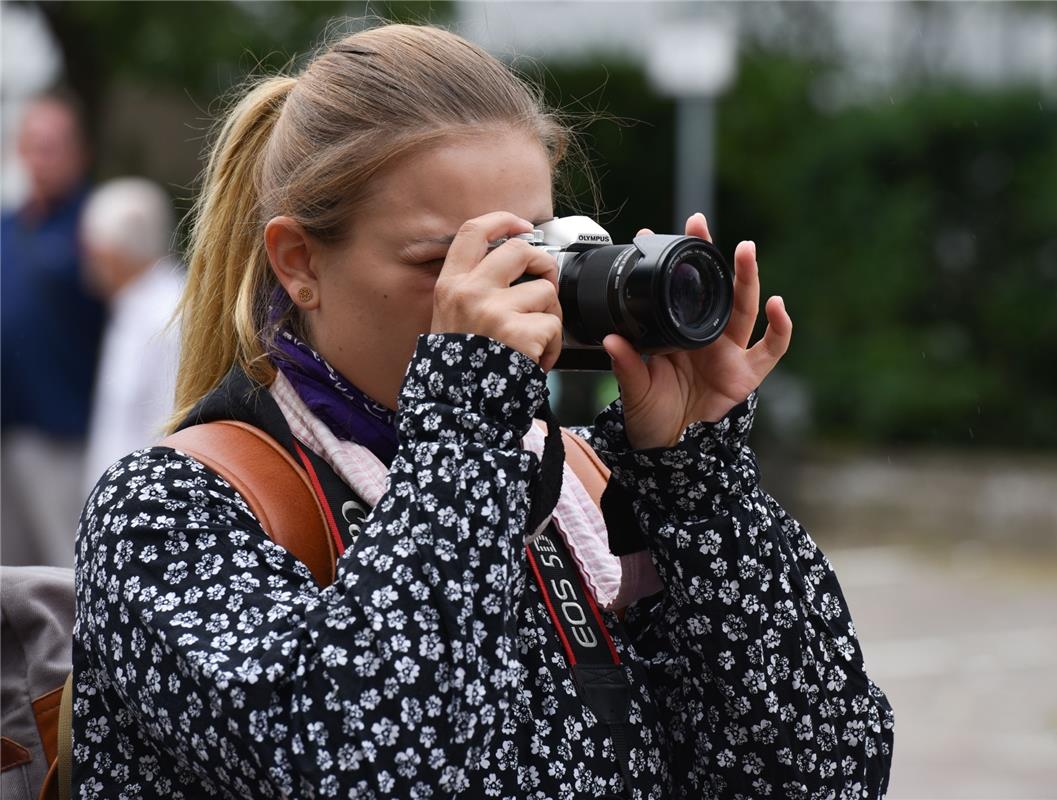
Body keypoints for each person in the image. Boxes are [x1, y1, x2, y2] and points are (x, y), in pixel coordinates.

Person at [72, 23, 893, 799]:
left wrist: (696, 480)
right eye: (445, 260)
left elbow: (822, 772)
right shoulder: (171, 513)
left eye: (530, 247)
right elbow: (371, 767)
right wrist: (464, 415)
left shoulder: (567, 486)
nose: (501, 292)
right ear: (298, 264)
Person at [1, 92, 106, 568]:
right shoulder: (7, 225)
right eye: (32, 145)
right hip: (8, 426)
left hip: (63, 432)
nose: (40, 157)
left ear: (79, 154)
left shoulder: (96, 227)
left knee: (61, 569)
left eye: (52, 146)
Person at [79, 177, 184, 493]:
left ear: (113, 254)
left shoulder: (167, 313)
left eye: (92, 249)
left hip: (147, 503)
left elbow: (172, 420)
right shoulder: (132, 305)